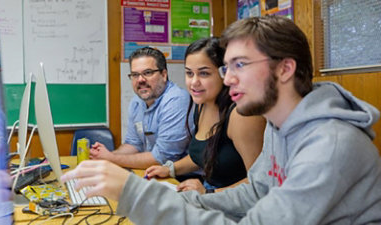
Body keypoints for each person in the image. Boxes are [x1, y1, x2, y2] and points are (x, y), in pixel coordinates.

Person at [62, 16, 381, 224]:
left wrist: (135, 194)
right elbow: (256, 192)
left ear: (285, 68)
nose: (228, 80)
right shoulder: (278, 125)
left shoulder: (330, 145)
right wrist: (190, 202)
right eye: (226, 68)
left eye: (240, 65)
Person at [145, 37, 265, 194]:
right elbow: (204, 155)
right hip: (212, 197)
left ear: (225, 73)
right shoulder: (201, 104)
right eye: (189, 73)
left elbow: (259, 183)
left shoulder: (242, 115)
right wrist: (170, 169)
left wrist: (209, 194)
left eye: (204, 73)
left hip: (240, 208)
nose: (194, 82)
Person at [89, 47, 191, 169]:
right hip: (154, 173)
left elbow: (162, 158)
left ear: (164, 75)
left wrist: (111, 158)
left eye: (147, 73)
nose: (140, 80)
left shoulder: (176, 100)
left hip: (181, 178)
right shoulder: (137, 102)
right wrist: (104, 156)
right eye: (135, 75)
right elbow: (133, 144)